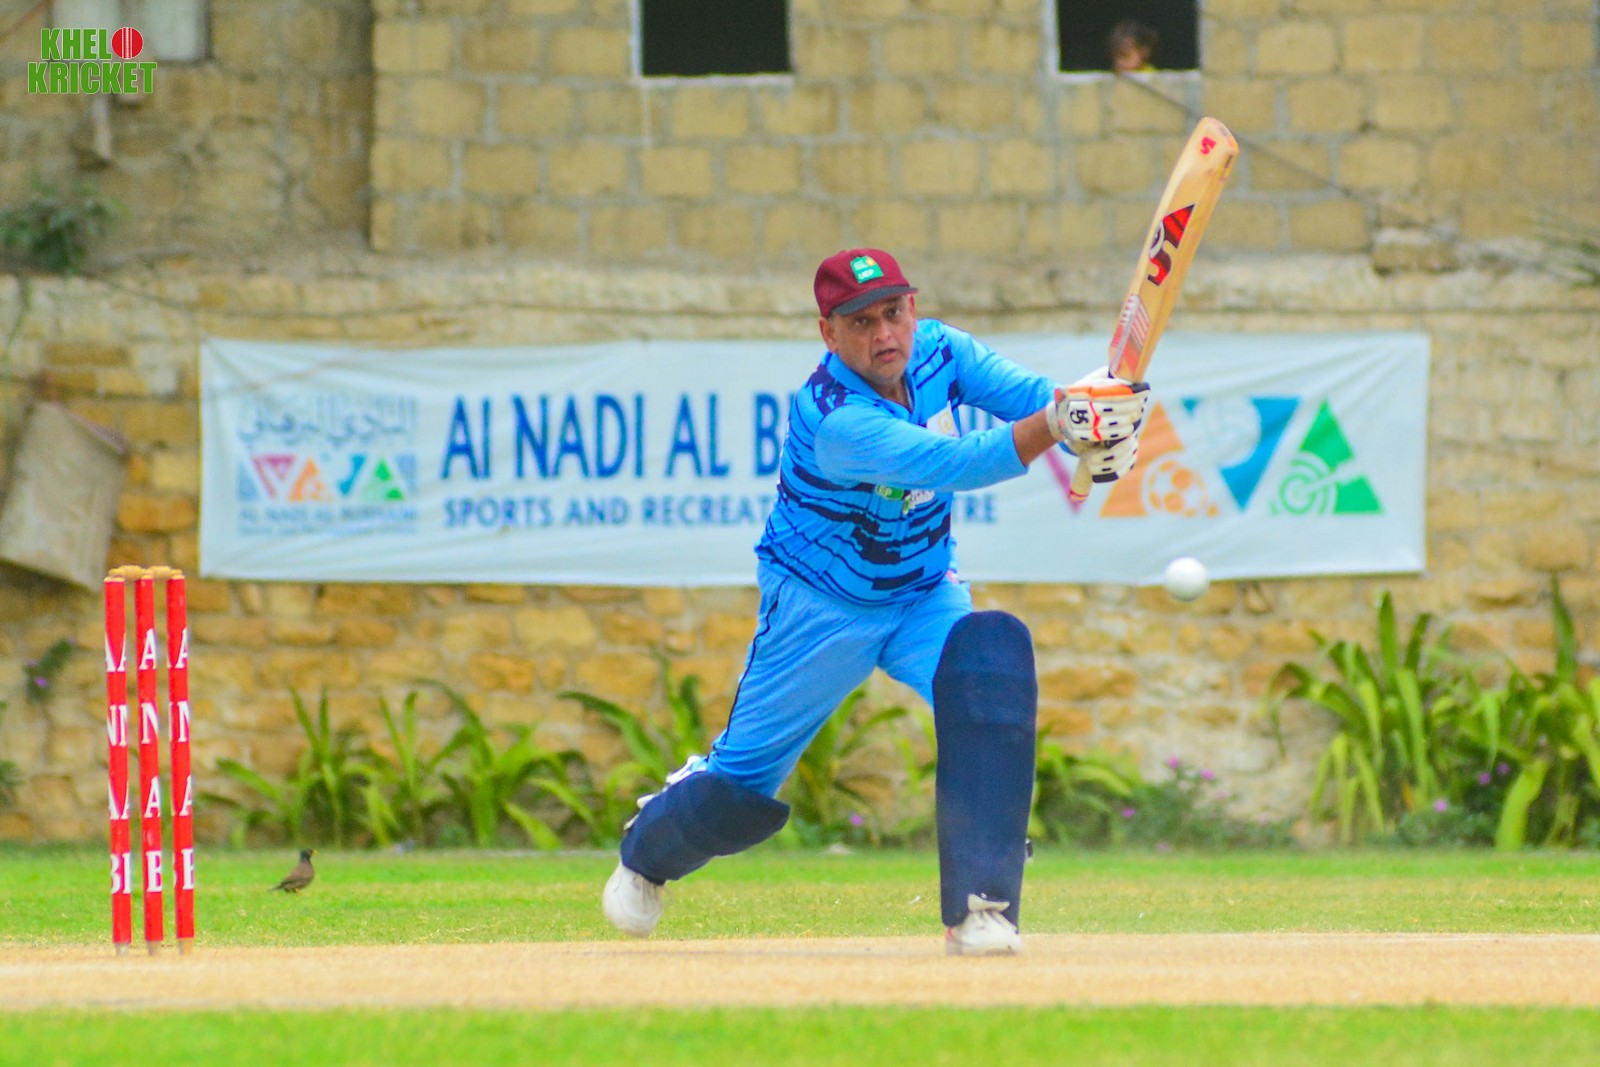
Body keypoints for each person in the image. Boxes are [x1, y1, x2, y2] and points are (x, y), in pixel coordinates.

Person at [602, 249, 1153, 955]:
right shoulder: (833, 417)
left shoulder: (944, 351)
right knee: (739, 787)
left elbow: (1035, 401)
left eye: (893, 312)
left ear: (913, 308)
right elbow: (955, 462)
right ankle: (648, 851)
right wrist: (1064, 422)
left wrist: (1098, 415)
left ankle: (981, 908)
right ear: (828, 333)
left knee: (989, 672)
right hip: (819, 609)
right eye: (861, 322)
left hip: (923, 593)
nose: (884, 334)